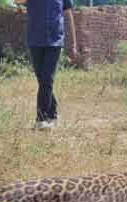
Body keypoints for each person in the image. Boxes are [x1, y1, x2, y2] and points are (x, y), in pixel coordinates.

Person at [16, 0, 78, 130]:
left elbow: (68, 14)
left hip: (55, 40)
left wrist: (72, 44)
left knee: (47, 79)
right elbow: (17, 1)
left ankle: (41, 119)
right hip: (34, 40)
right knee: (43, 80)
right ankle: (53, 114)